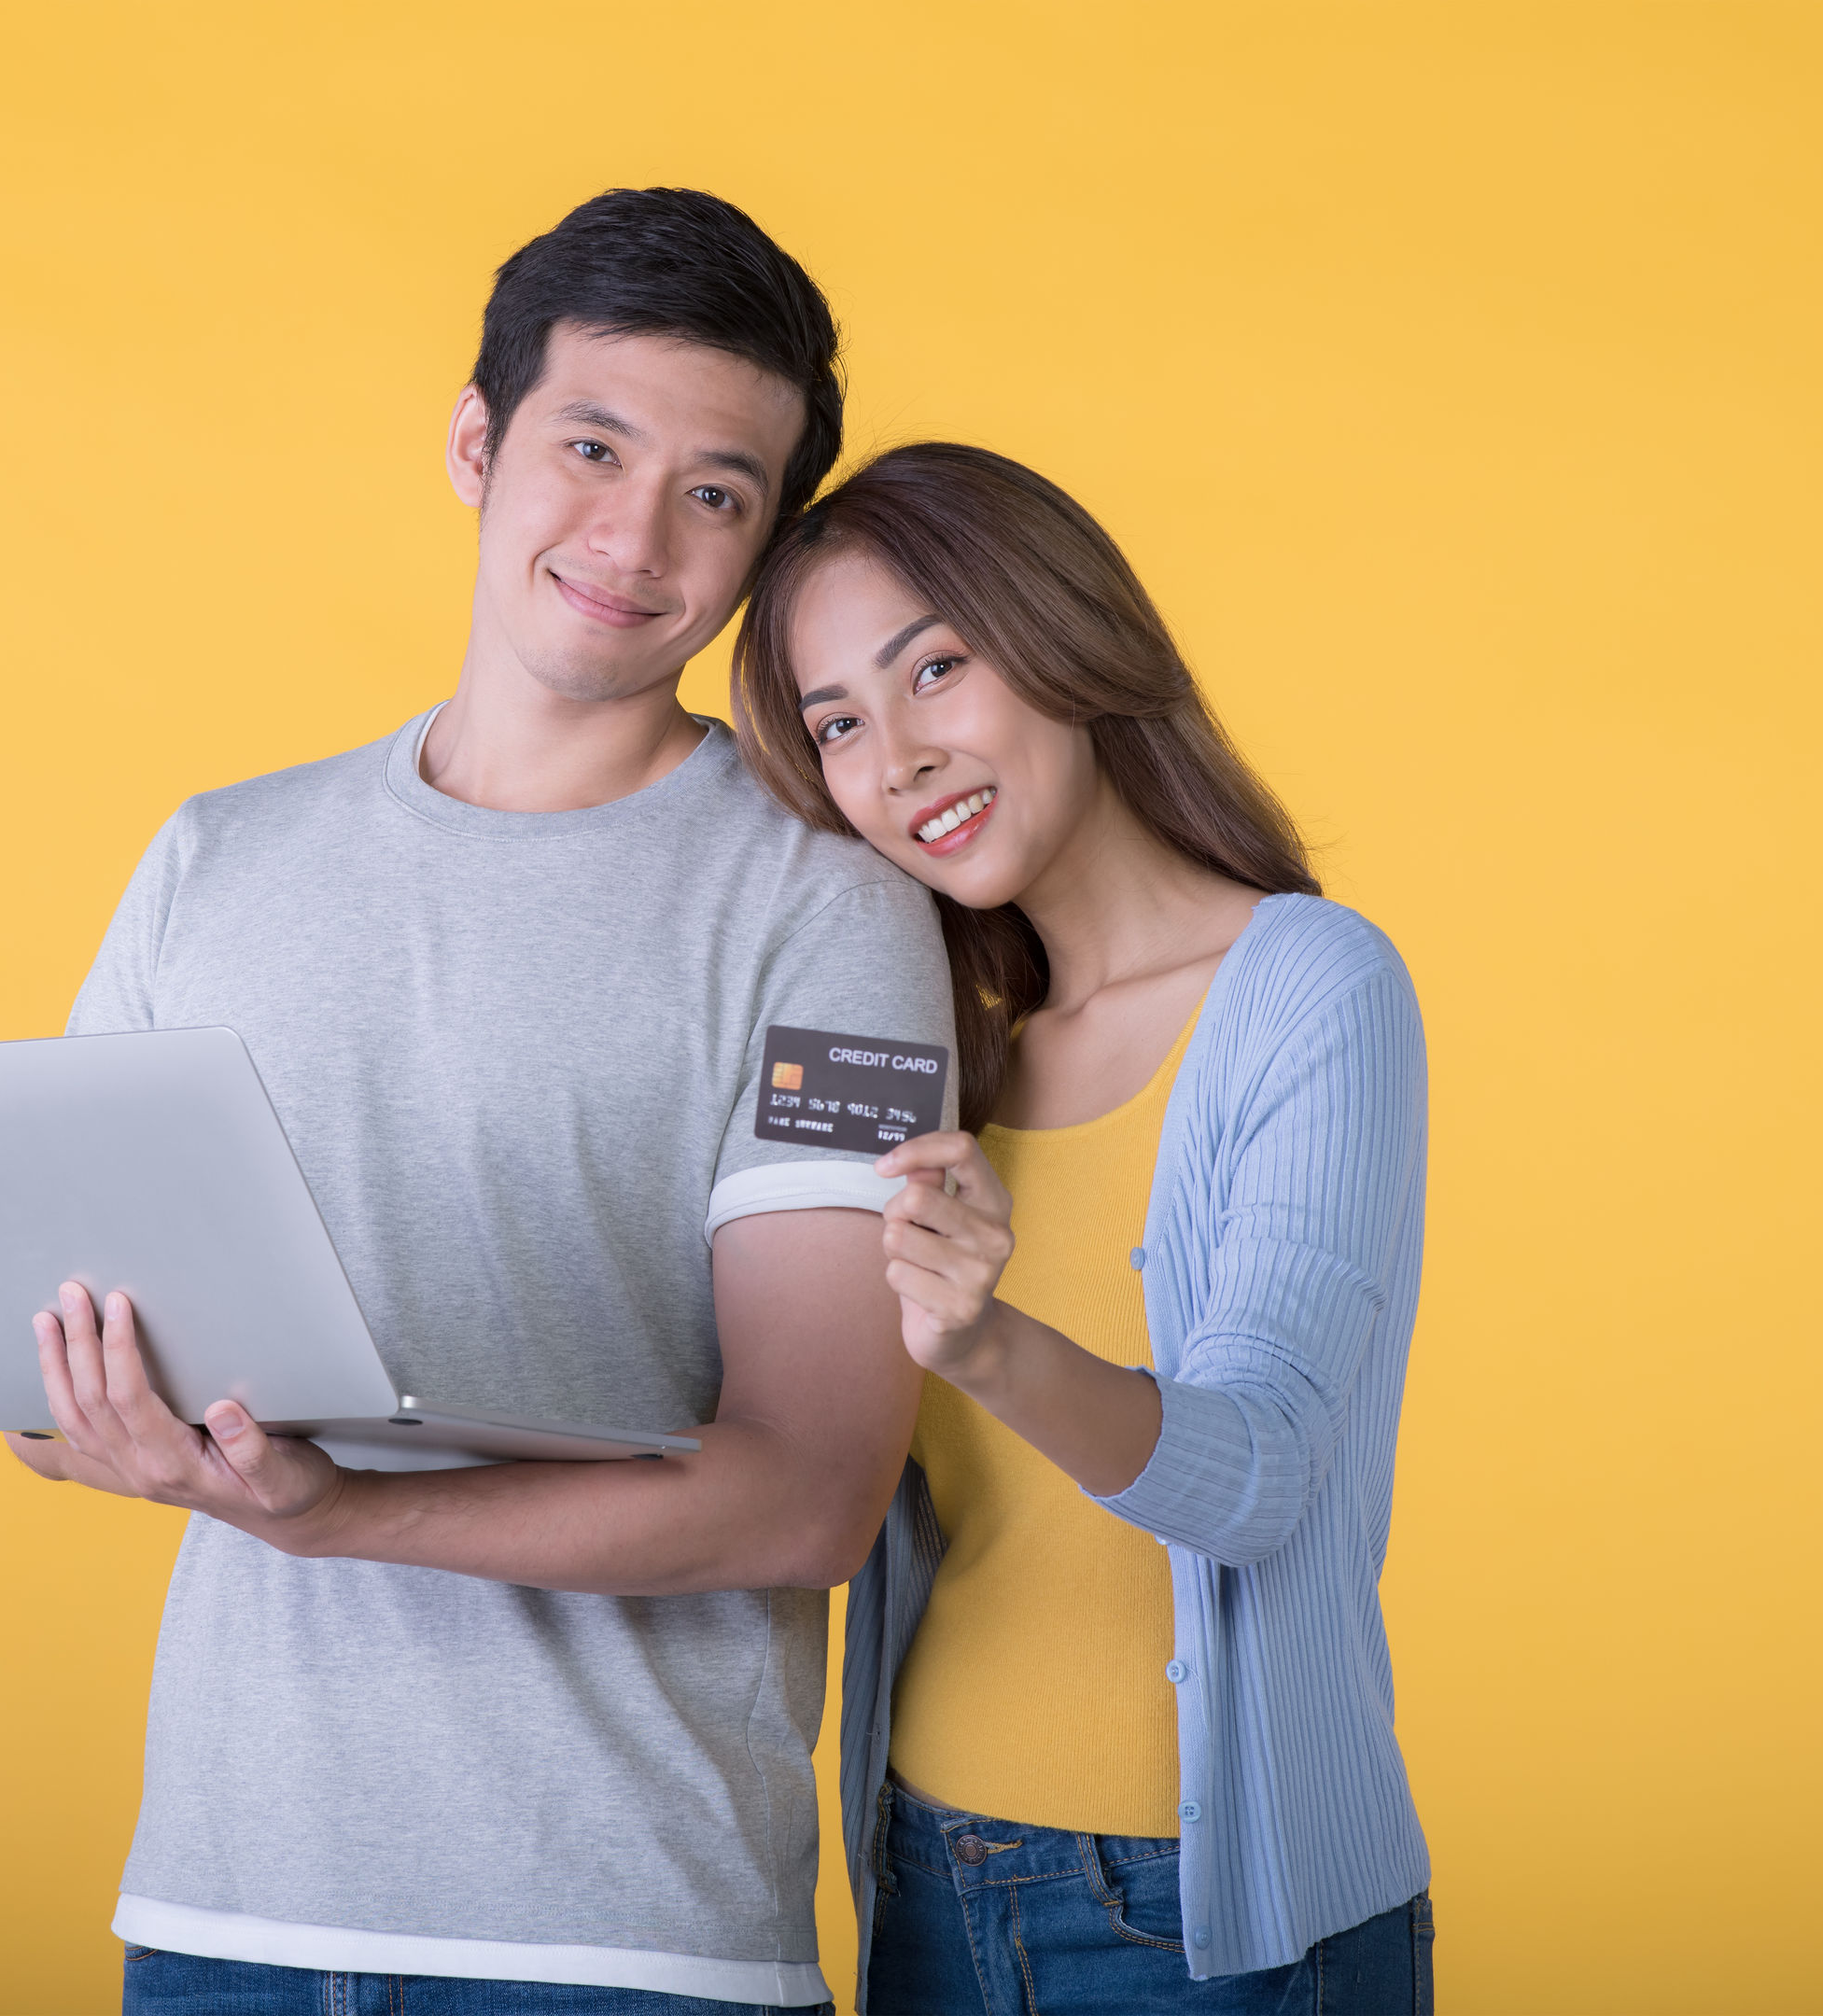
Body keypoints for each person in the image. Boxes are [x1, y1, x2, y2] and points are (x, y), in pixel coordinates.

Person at [9, 189, 951, 2013]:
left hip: (619, 1939)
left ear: (759, 548)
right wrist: (102, 1428)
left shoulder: (829, 913)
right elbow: (46, 1387)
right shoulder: (216, 859)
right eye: (591, 447)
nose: (635, 533)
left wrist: (332, 1514)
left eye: (717, 492)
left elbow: (810, 1496)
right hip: (226, 1918)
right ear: (475, 442)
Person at [731, 443, 1435, 2012]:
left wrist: (987, 1343)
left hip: (1211, 1925)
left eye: (936, 669)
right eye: (839, 723)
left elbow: (1258, 1479)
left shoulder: (1313, 987)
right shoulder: (925, 1054)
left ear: (1063, 635)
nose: (898, 755)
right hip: (924, 1883)